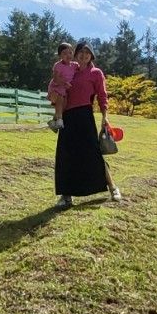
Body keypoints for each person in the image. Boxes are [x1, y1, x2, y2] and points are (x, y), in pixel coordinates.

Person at [54, 41, 122, 207]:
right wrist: (58, 115)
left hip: (85, 116)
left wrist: (105, 117)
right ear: (75, 54)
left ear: (91, 55)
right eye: (80, 52)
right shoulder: (70, 70)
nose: (83, 55)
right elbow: (58, 90)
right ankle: (66, 196)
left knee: (94, 154)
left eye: (87, 52)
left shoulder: (96, 73)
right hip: (68, 117)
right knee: (66, 155)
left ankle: (113, 187)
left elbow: (102, 96)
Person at [47, 42, 79, 131]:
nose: (68, 55)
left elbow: (83, 67)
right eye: (64, 53)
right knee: (60, 99)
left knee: (63, 105)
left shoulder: (74, 65)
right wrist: (64, 83)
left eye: (70, 52)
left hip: (65, 89)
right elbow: (56, 78)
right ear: (60, 55)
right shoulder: (58, 65)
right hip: (56, 87)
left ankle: (53, 122)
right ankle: (60, 119)